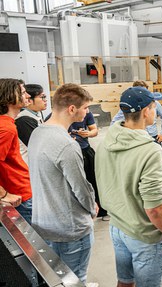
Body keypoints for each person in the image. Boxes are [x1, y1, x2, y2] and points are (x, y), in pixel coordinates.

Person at [96, 86, 162, 287]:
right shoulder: (149, 151)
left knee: (124, 282)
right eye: (153, 107)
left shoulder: (107, 140)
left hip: (117, 225)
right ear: (145, 112)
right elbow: (155, 208)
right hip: (144, 235)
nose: (155, 111)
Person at [28, 83, 97, 283]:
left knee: (54, 279)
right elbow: (81, 189)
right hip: (70, 230)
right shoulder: (67, 144)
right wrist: (91, 208)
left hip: (45, 225)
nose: (87, 112)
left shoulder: (37, 133)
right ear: (72, 109)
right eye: (85, 107)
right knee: (75, 279)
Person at [111, 80, 162, 205]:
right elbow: (114, 122)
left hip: (153, 139)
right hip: (135, 140)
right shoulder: (128, 108)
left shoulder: (155, 104)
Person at [0, 78, 33, 224]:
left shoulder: (7, 124)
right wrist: (4, 194)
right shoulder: (6, 128)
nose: (27, 96)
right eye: (23, 92)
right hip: (19, 195)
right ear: (9, 96)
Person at [69, 109, 108, 219]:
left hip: (85, 150)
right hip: (71, 152)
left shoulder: (87, 113)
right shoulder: (60, 115)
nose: (87, 110)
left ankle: (101, 210)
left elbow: (94, 130)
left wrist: (88, 133)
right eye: (84, 107)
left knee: (94, 180)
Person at [15, 84, 47, 164]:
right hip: (27, 166)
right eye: (42, 97)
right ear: (29, 100)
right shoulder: (23, 120)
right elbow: (39, 146)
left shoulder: (35, 114)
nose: (45, 100)